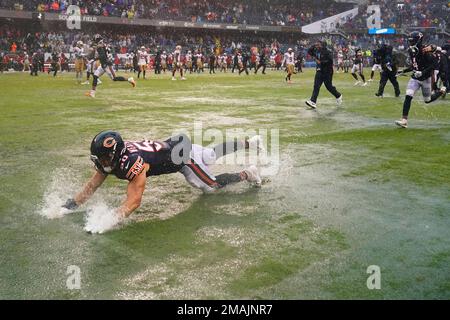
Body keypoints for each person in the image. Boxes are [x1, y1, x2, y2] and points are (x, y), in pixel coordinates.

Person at [62, 131, 264, 231]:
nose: (103, 163)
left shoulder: (132, 162)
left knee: (210, 186)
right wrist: (68, 206)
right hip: (175, 146)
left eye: (105, 158)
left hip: (181, 158)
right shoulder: (116, 158)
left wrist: (106, 221)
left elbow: (134, 201)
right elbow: (92, 185)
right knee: (210, 154)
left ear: (115, 155)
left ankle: (248, 173)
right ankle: (251, 143)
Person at [395, 32, 436, 128]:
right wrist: (403, 71)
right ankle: (404, 120)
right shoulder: (412, 50)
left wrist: (422, 72)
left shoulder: (425, 50)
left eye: (412, 40)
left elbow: (433, 65)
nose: (410, 42)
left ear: (418, 40)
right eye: (410, 41)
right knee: (408, 95)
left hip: (425, 78)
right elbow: (414, 65)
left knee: (427, 100)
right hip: (415, 78)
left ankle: (442, 91)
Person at [305, 41, 343, 109]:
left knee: (328, 87)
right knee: (316, 86)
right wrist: (313, 45)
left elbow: (330, 61)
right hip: (319, 70)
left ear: (322, 45)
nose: (317, 46)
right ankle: (313, 101)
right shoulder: (316, 50)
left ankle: (338, 95)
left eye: (318, 44)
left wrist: (320, 62)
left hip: (327, 71)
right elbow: (309, 51)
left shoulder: (327, 52)